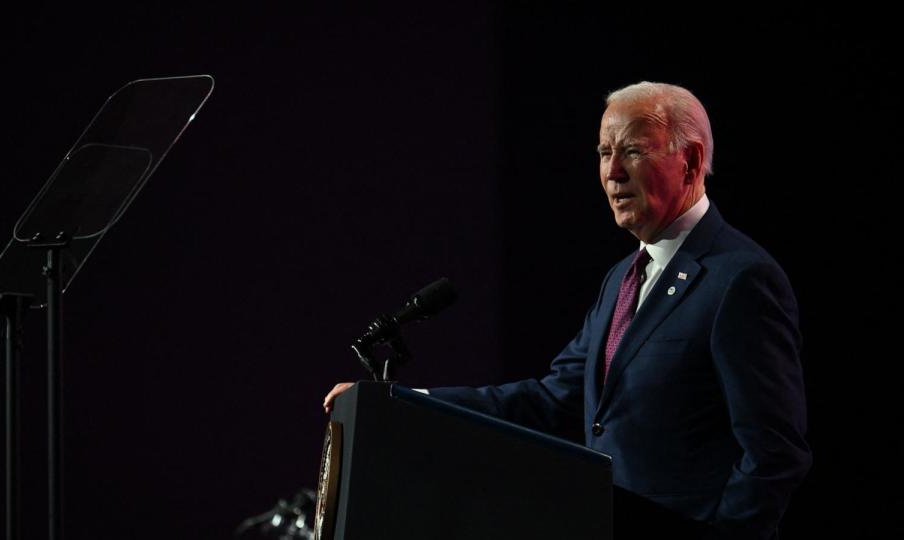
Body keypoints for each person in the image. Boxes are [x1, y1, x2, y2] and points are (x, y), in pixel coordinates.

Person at [323, 82, 811, 539]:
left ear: (690, 160)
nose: (613, 172)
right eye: (604, 152)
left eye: (633, 151)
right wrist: (404, 403)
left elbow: (775, 454)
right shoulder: (622, 278)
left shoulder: (738, 278)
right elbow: (552, 399)